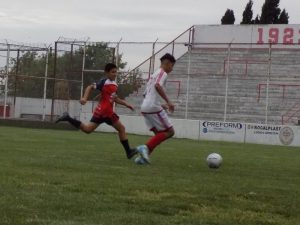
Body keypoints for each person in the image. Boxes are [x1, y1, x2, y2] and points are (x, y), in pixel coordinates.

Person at [56, 63, 137, 159]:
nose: (115, 74)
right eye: (112, 72)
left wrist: (127, 104)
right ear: (107, 73)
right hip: (107, 112)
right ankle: (128, 152)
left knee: (88, 129)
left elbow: (115, 98)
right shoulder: (104, 82)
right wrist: (85, 98)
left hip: (101, 111)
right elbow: (90, 87)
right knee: (122, 129)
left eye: (116, 72)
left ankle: (68, 118)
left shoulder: (115, 84)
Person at [135, 53, 176, 164]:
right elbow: (157, 86)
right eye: (172, 66)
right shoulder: (163, 73)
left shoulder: (154, 75)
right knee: (170, 132)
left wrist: (160, 104)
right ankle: (144, 148)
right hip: (152, 106)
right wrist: (169, 102)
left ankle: (143, 158)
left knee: (159, 134)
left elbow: (146, 94)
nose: (171, 69)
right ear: (167, 64)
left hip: (145, 107)